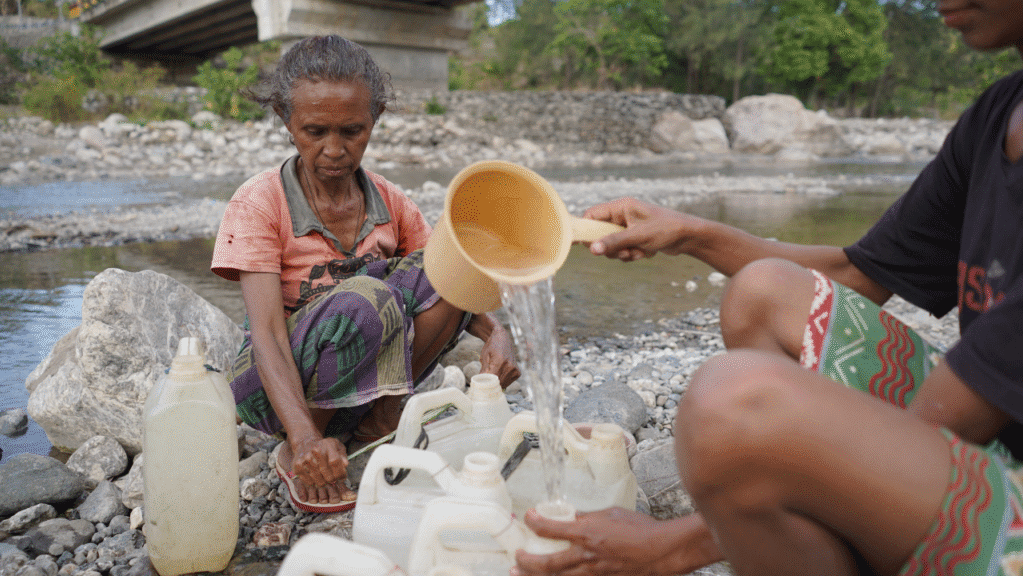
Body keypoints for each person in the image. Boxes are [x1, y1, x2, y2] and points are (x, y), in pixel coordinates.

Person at [513, 1, 1023, 575]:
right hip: (997, 436)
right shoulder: (998, 114)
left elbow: (940, 425)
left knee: (732, 405)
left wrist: (671, 546)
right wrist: (690, 232)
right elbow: (859, 276)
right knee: (764, 294)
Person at [211, 36, 519, 514]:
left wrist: (497, 332)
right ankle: (302, 452)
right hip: (274, 390)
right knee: (366, 298)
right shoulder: (260, 201)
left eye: (352, 131)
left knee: (446, 263)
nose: (334, 149)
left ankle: (377, 425)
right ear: (287, 123)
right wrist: (304, 434)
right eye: (315, 131)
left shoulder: (390, 202)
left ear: (373, 120)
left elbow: (442, 281)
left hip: (371, 380)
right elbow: (268, 333)